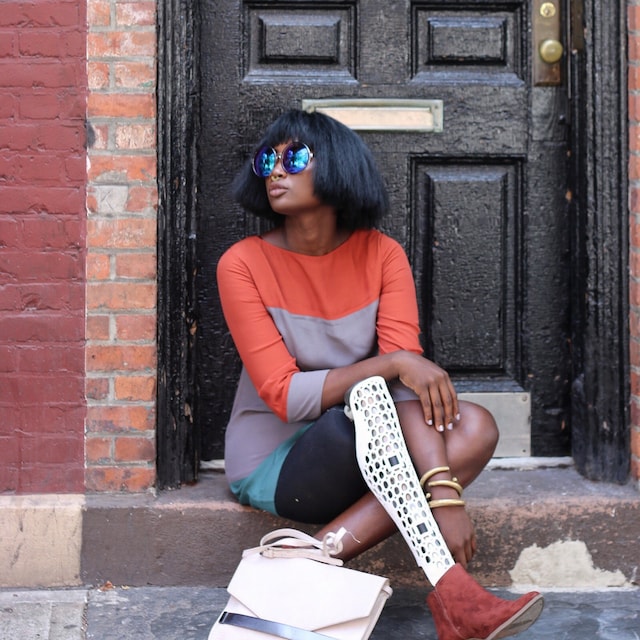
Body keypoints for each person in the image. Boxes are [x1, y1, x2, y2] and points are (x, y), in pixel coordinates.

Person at [216, 108, 543, 639]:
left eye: (294, 159)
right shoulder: (242, 263)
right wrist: (392, 363)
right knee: (370, 400)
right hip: (280, 463)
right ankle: (455, 591)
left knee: (475, 425)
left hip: (373, 440)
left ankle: (309, 564)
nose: (275, 170)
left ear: (337, 165)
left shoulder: (382, 255)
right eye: (266, 161)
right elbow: (285, 395)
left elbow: (407, 391)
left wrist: (445, 494)